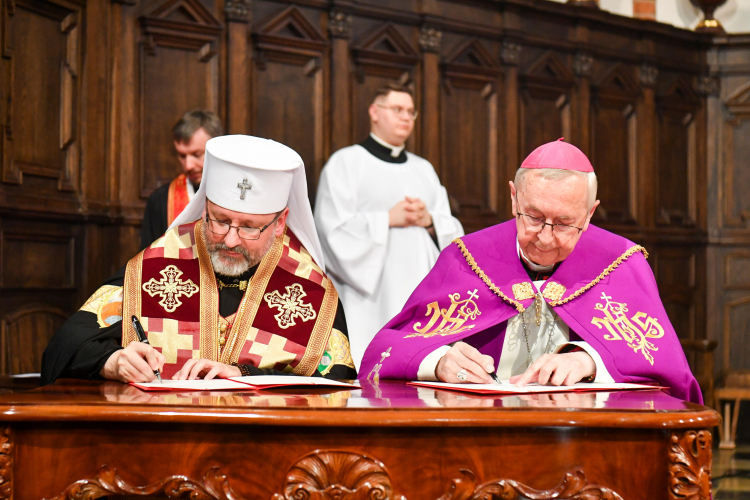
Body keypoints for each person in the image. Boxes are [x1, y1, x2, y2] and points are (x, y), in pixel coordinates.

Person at [358, 138, 703, 404]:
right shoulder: (467, 257)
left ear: (591, 212)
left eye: (566, 223)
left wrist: (590, 360)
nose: (546, 237)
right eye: (534, 217)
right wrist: (440, 359)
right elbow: (386, 348)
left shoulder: (621, 263)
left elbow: (668, 367)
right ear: (514, 198)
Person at [42, 135, 356, 384]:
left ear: (279, 223)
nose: (231, 240)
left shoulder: (310, 290)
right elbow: (62, 348)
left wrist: (245, 376)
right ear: (204, 208)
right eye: (219, 221)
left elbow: (337, 383)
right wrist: (112, 362)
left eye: (249, 227)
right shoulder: (159, 264)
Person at [315, 83, 464, 368]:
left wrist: (430, 221)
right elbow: (330, 229)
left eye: (411, 112)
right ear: (374, 112)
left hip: (421, 289)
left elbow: (454, 234)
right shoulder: (346, 163)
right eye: (397, 109)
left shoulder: (424, 169)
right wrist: (387, 219)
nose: (406, 117)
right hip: (369, 295)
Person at [140, 110, 224, 250]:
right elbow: (148, 260)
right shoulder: (160, 200)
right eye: (182, 156)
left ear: (217, 150)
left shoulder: (238, 195)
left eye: (196, 154)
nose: (188, 166)